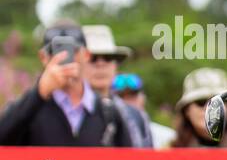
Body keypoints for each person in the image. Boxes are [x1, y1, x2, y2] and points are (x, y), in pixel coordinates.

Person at [0, 20, 133, 147]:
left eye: (72, 50)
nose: (64, 58)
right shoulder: (30, 110)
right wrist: (40, 92)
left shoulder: (108, 113)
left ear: (86, 55)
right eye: (56, 51)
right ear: (43, 57)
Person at [82, 25, 153, 148]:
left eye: (108, 58)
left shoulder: (136, 116)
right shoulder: (68, 114)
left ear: (116, 65)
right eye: (92, 58)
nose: (101, 64)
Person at [171, 68, 227, 148]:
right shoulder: (167, 154)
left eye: (218, 103)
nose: (209, 109)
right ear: (187, 110)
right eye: (201, 102)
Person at [114, 72, 177, 148]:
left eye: (133, 96)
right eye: (122, 98)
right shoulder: (107, 137)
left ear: (143, 98)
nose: (128, 103)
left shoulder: (167, 136)